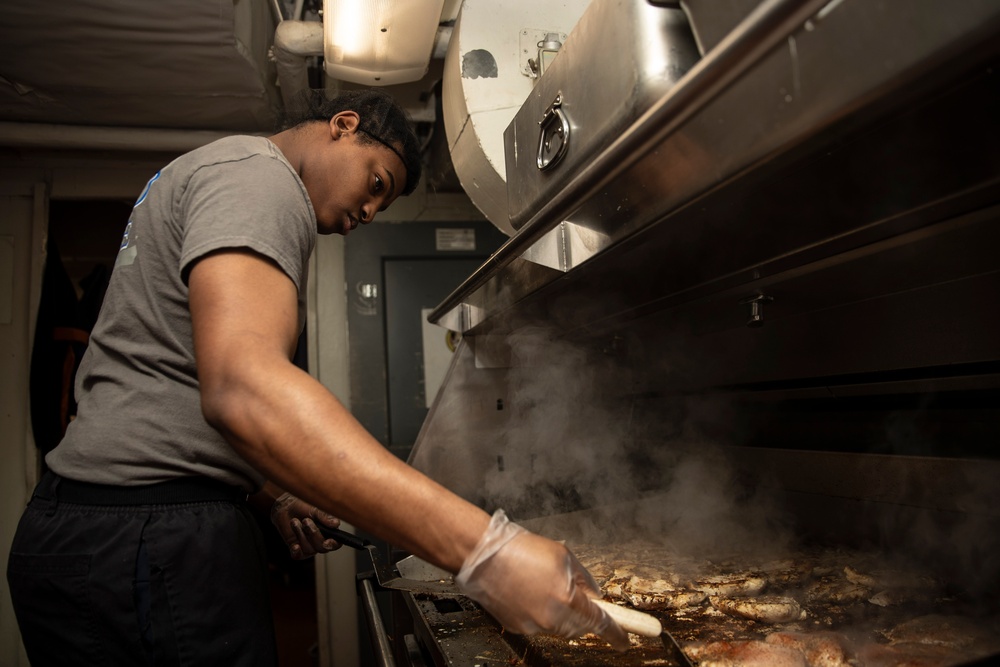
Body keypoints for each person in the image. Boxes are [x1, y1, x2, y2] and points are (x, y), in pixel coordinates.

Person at [6, 88, 628, 665]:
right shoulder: (259, 178)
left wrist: (271, 492)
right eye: (376, 183)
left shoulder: (215, 172)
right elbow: (244, 390)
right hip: (144, 538)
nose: (369, 211)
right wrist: (487, 552)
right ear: (343, 126)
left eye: (381, 204)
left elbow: (168, 383)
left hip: (92, 530)